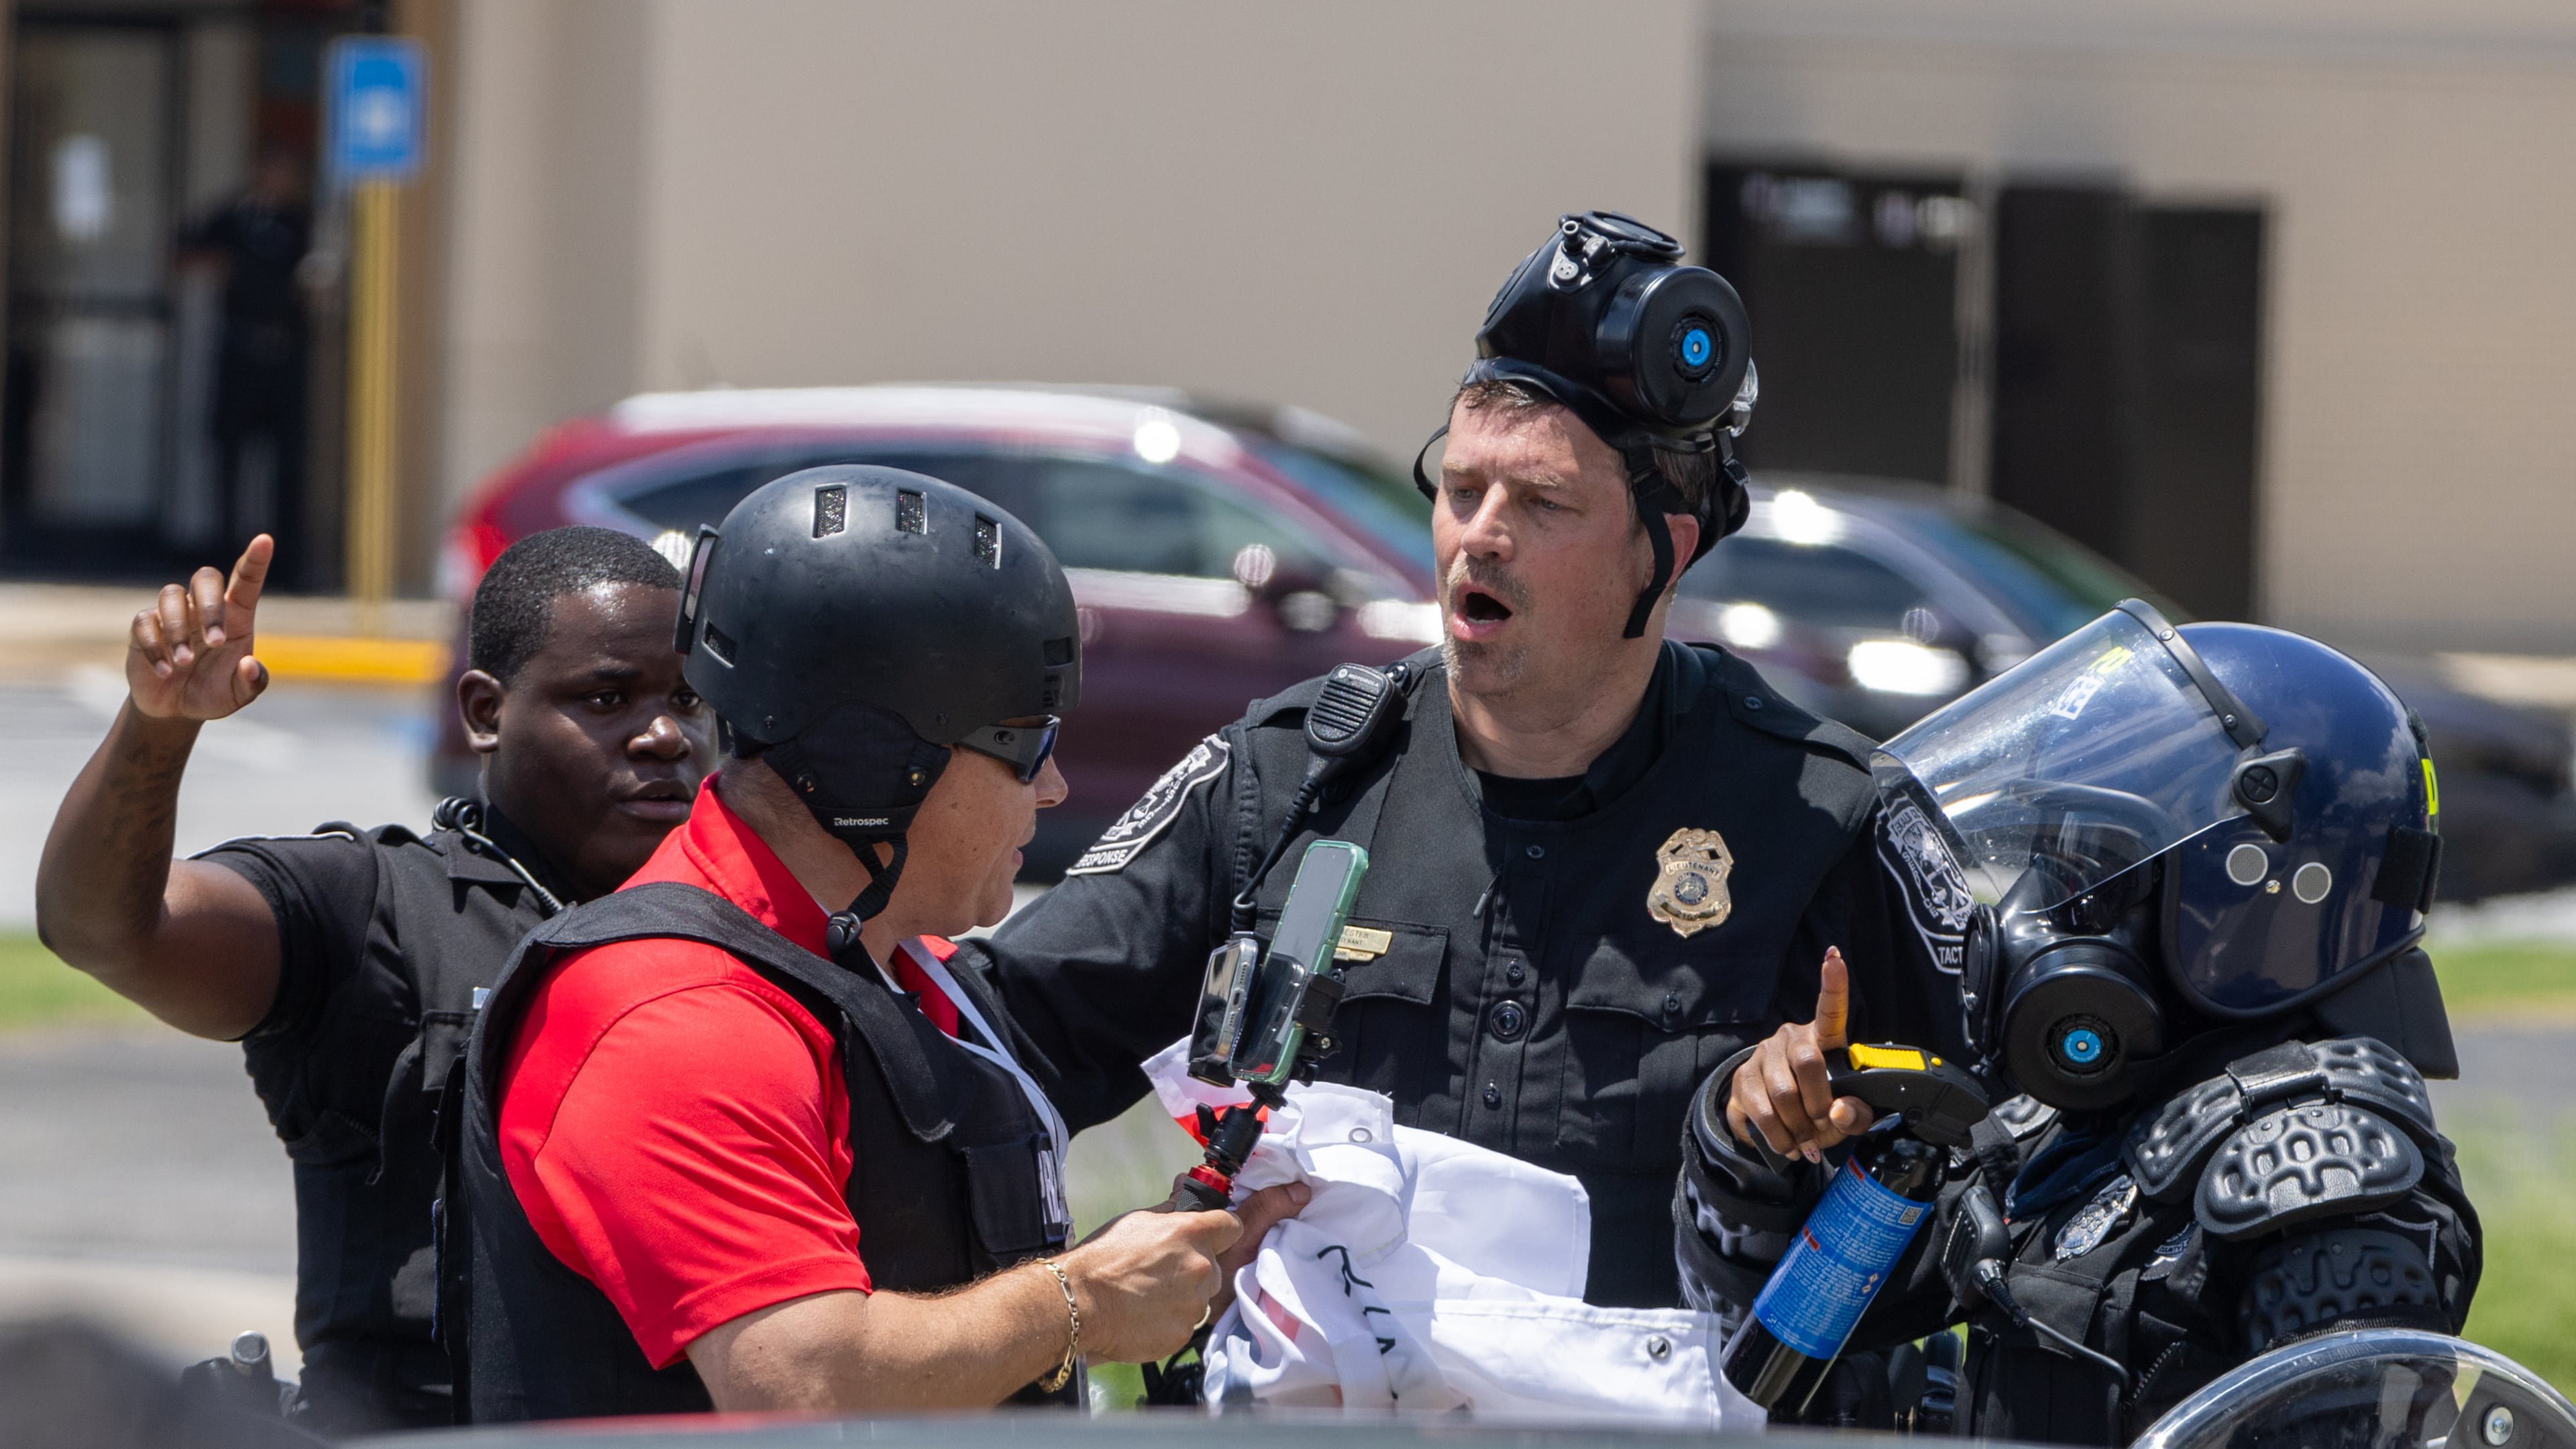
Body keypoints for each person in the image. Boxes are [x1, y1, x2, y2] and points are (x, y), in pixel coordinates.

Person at [950, 210, 1968, 1315]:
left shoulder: (1823, 816)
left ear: (1661, 553)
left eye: (1540, 503)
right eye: (1461, 488)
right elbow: (987, 1051)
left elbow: (2000, 1161)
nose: (1478, 536)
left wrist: (1812, 1145)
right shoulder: (1287, 784)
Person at [454, 466, 1305, 1421]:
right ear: (873, 762)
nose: (1056, 787)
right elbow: (803, 1382)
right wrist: (1085, 1300)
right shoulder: (668, 1013)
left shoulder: (876, 963)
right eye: (1025, 744)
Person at [1676, 609, 2481, 1443]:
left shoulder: (2315, 1172)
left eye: (2094, 869)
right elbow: (1771, 1361)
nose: (2030, 912)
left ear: (2248, 891)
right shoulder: (2084, 1127)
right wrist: (1757, 1143)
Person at [36, 527, 710, 1433]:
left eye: (688, 698)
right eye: (606, 697)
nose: (664, 734)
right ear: (485, 712)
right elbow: (106, 930)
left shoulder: (747, 932)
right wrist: (157, 730)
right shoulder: (375, 909)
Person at [178, 149, 313, 585]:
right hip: (239, 350)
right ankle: (222, 557)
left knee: (286, 463)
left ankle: (286, 565)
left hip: (285, 354)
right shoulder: (235, 218)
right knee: (228, 458)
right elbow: (187, 251)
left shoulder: (302, 222)